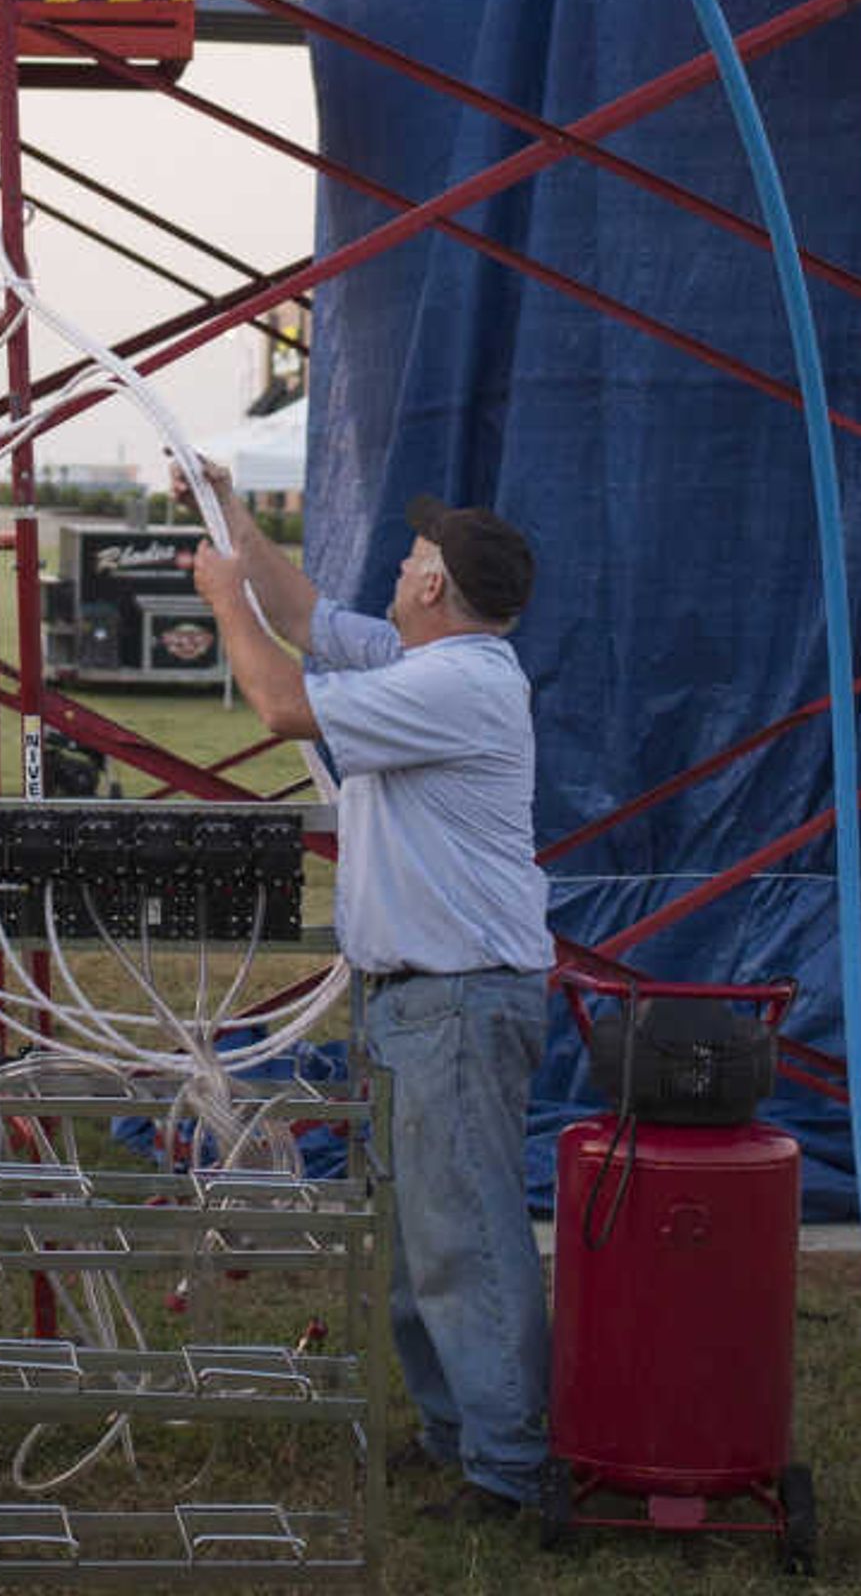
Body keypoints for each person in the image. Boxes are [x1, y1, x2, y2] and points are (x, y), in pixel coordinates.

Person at [183, 475, 551, 1524]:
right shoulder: (437, 661)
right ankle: (461, 1434)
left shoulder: (459, 685)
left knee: (462, 1238)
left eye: (409, 558)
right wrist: (239, 533)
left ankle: (509, 1470)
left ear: (433, 580)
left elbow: (281, 700)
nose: (397, 566)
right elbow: (307, 621)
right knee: (421, 1241)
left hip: (454, 1002)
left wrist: (220, 601)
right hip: (425, 1001)